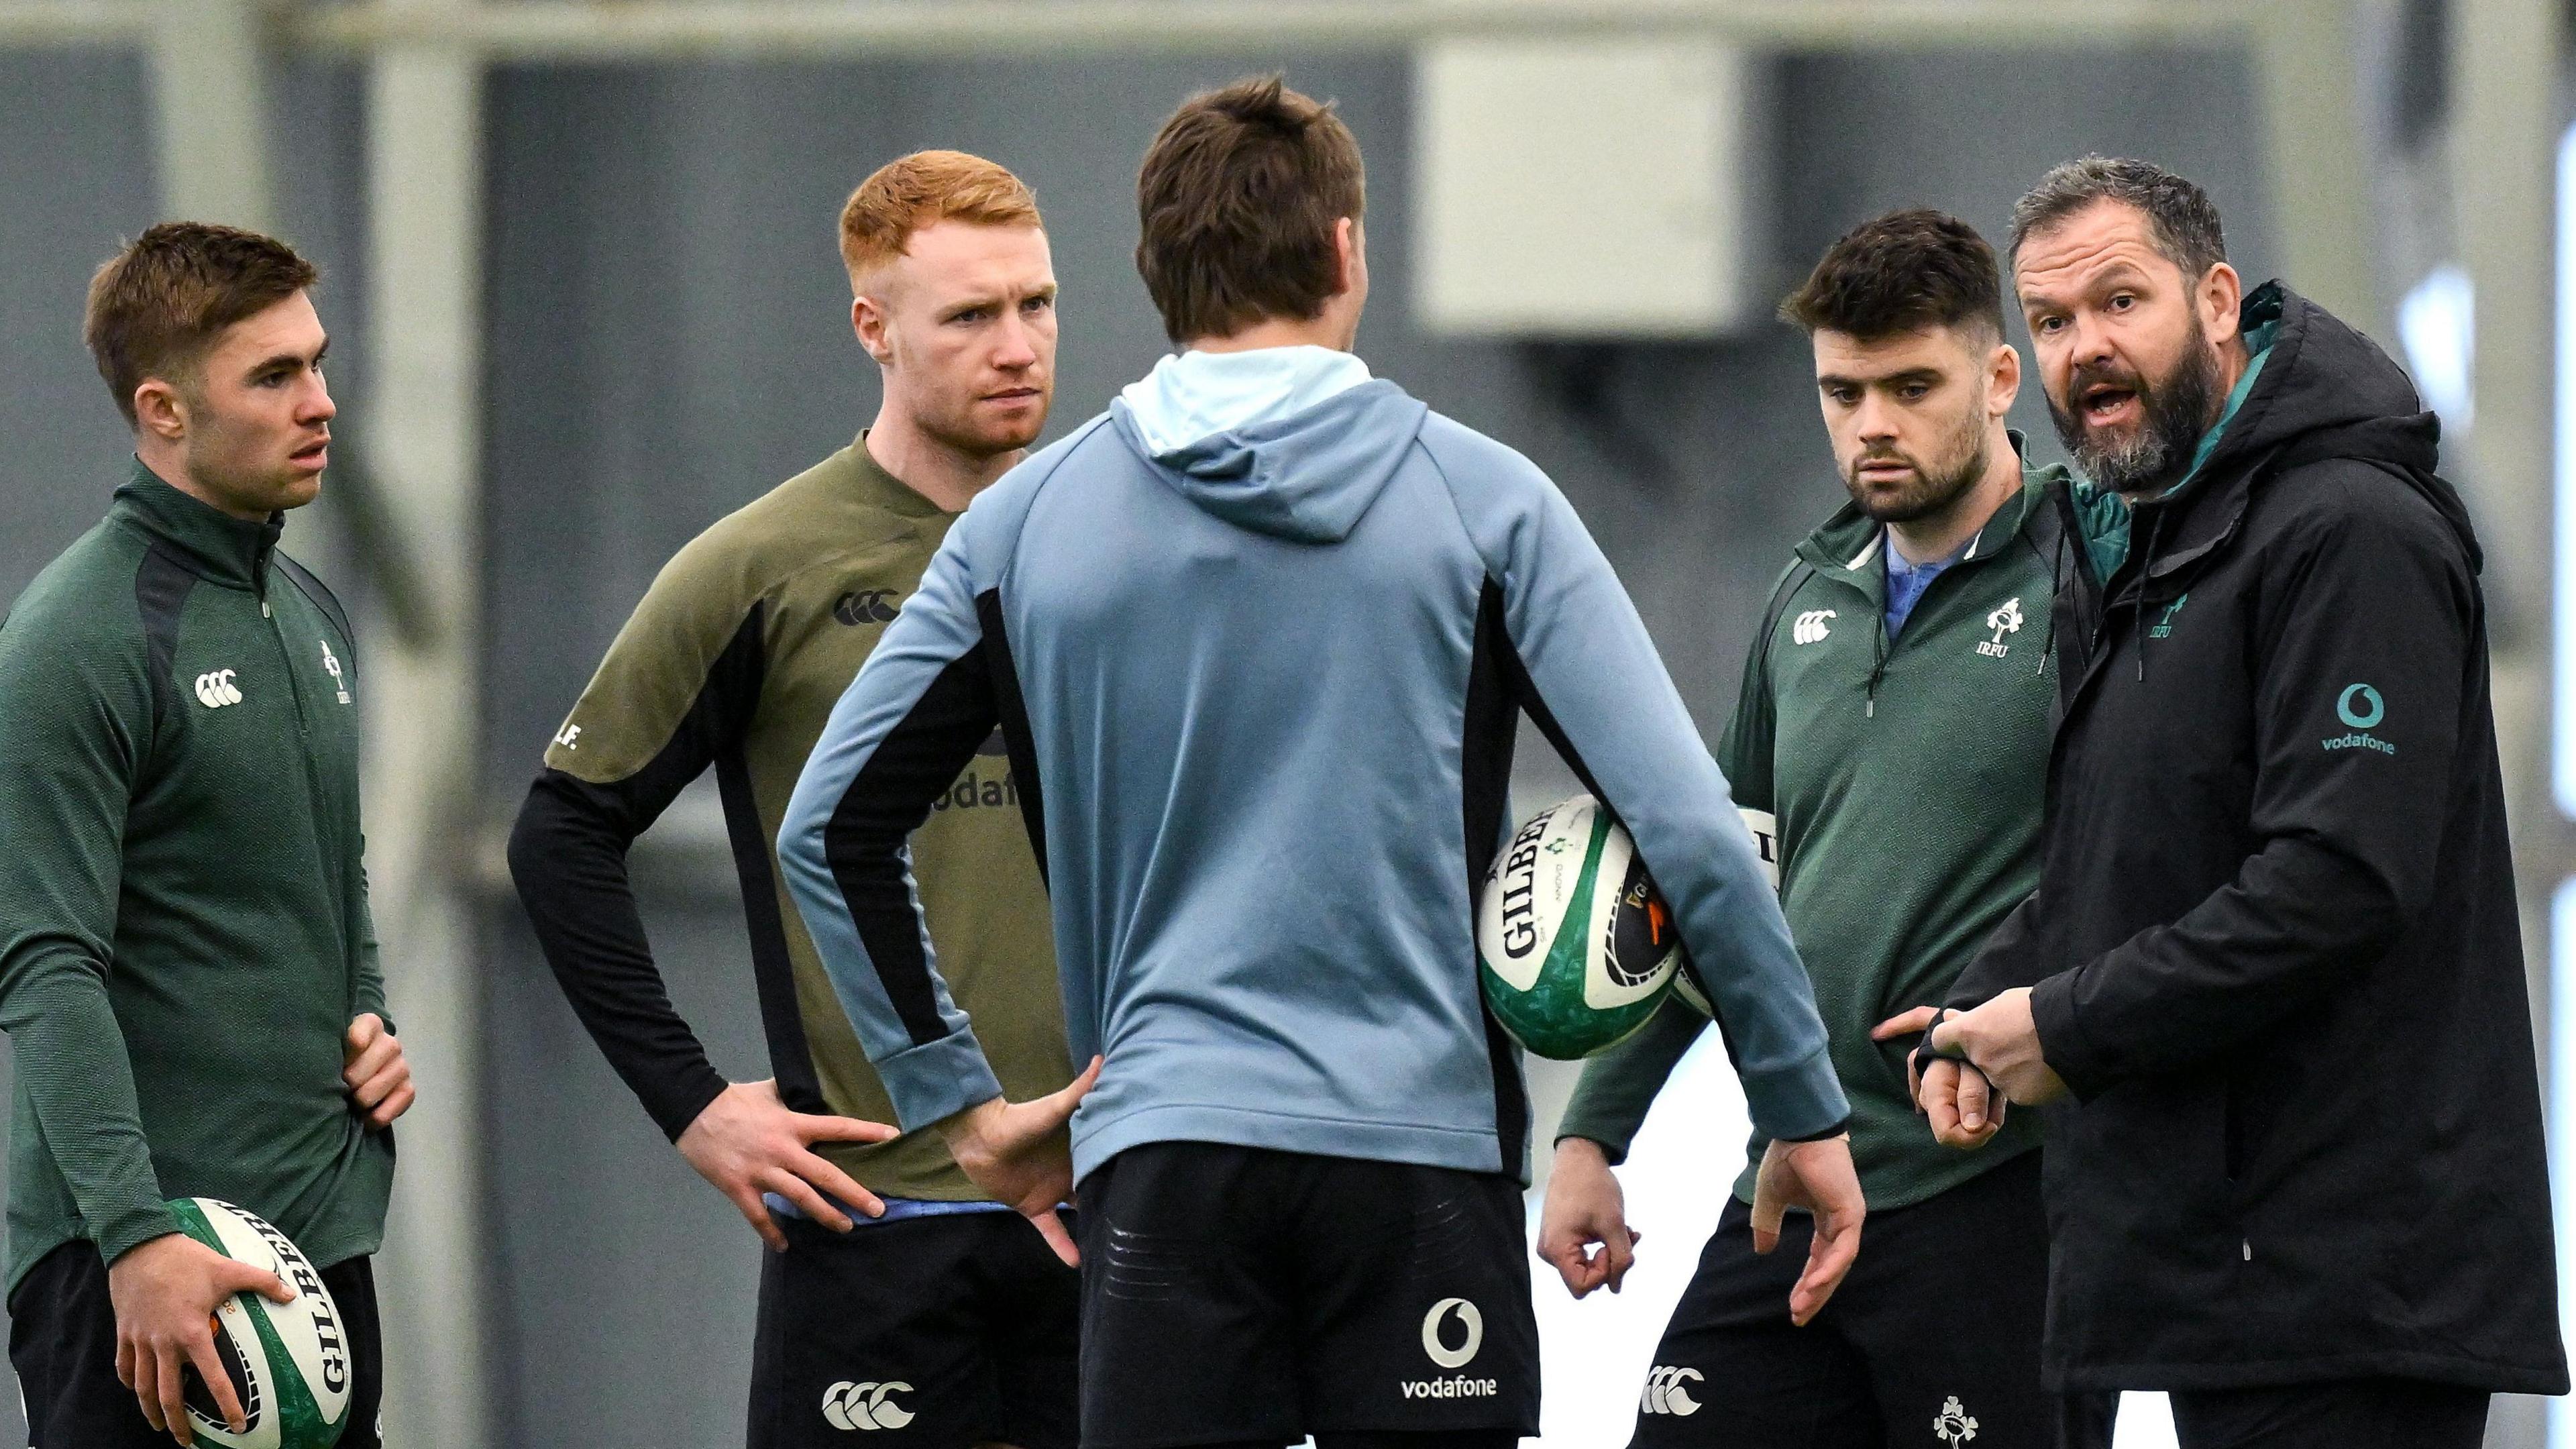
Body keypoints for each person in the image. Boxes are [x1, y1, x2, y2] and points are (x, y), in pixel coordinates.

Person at [776, 75, 1862, 1449]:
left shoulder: (1024, 524)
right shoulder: (1483, 500)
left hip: (1159, 1161)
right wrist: (1801, 1110)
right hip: (1414, 1166)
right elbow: (1692, 835)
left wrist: (962, 1108)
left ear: (1153, 271)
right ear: (1347, 251)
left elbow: (829, 829)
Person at [1918, 156, 2567, 1446]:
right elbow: (2139, 857)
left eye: (2120, 303)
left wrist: (2065, 1023)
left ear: (2218, 301)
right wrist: (1990, 996)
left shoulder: (2350, 530)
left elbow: (2335, 881)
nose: (2084, 349)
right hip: (2225, 1283)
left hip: (2349, 1288)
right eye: (2050, 323)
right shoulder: (2148, 549)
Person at [506, 152, 1078, 1449]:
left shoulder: (1111, 540)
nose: (1018, 346)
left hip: (1108, 1216)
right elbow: (561, 832)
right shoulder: (763, 566)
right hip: (877, 1232)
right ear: (874, 329)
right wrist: (694, 1105)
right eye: (971, 317)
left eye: (1037, 305)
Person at [1544, 209, 2102, 1449]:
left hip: (2002, 1199)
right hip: (1796, 1175)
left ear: (2000, 376)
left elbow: (2145, 858)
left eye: (1913, 386)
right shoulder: (1810, 593)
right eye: (1843, 392)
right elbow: (1719, 887)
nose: (1873, 425)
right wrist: (1594, 1130)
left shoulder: (2093, 572)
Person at [0, 222, 410, 1448]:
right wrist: (135, 1236)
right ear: (164, 411)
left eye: (318, 364)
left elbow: (329, 869)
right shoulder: (77, 641)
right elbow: (42, 964)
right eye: (274, 378)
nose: (321, 404)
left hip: (317, 1256)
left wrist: (372, 1018)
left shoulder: (309, 611)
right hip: (139, 1273)